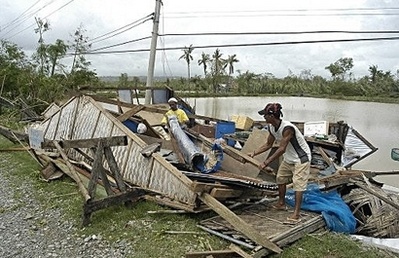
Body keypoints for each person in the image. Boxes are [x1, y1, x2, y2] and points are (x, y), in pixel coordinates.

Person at [248, 103, 311, 223]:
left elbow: (281, 148)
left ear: (272, 116)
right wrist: (254, 153)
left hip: (301, 158)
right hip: (289, 158)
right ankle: (281, 203)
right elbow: (268, 144)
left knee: (298, 185)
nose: (264, 117)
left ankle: (296, 214)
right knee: (280, 178)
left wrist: (266, 162)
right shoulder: (271, 127)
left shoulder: (288, 128)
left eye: (265, 115)